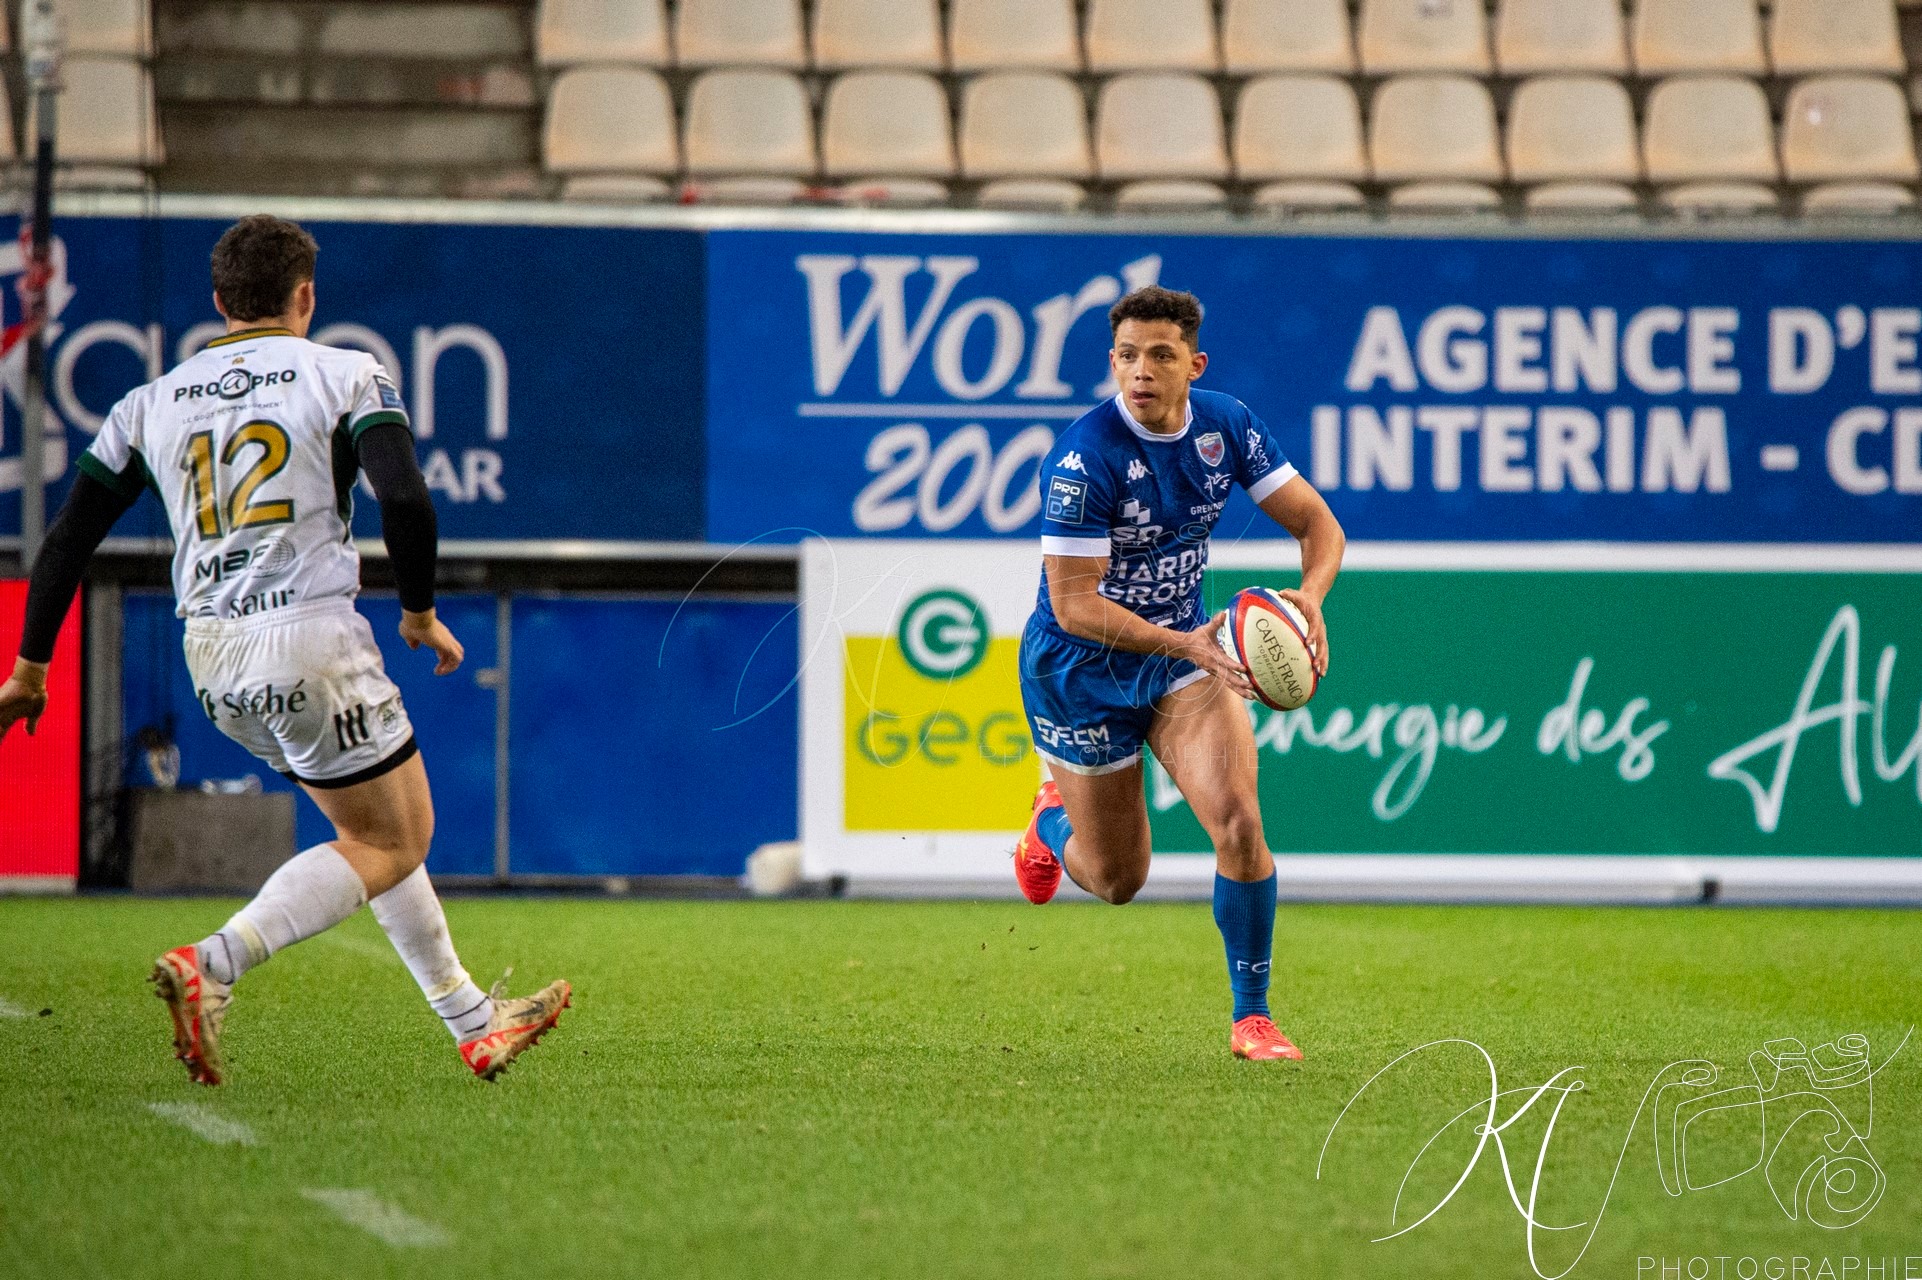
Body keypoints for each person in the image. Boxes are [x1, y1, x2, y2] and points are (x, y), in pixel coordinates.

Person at [0, 214, 569, 1084]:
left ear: (219, 302)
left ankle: (470, 1018)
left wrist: (30, 670)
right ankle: (214, 965)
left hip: (214, 658)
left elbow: (68, 537)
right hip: (308, 639)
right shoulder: (345, 373)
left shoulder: (147, 402)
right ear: (305, 296)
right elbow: (407, 502)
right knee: (396, 838)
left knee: (366, 825)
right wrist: (417, 613)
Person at [1013, 285, 1344, 1062]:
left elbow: (1317, 524)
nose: (1141, 371)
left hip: (1181, 662)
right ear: (1112, 362)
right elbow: (1073, 607)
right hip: (1082, 668)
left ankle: (1252, 1018)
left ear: (1193, 364)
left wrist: (1313, 597)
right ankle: (1050, 821)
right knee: (1117, 878)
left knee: (1238, 820)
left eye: (1160, 355)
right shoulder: (1081, 459)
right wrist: (1191, 643)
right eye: (1127, 355)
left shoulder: (1226, 427)